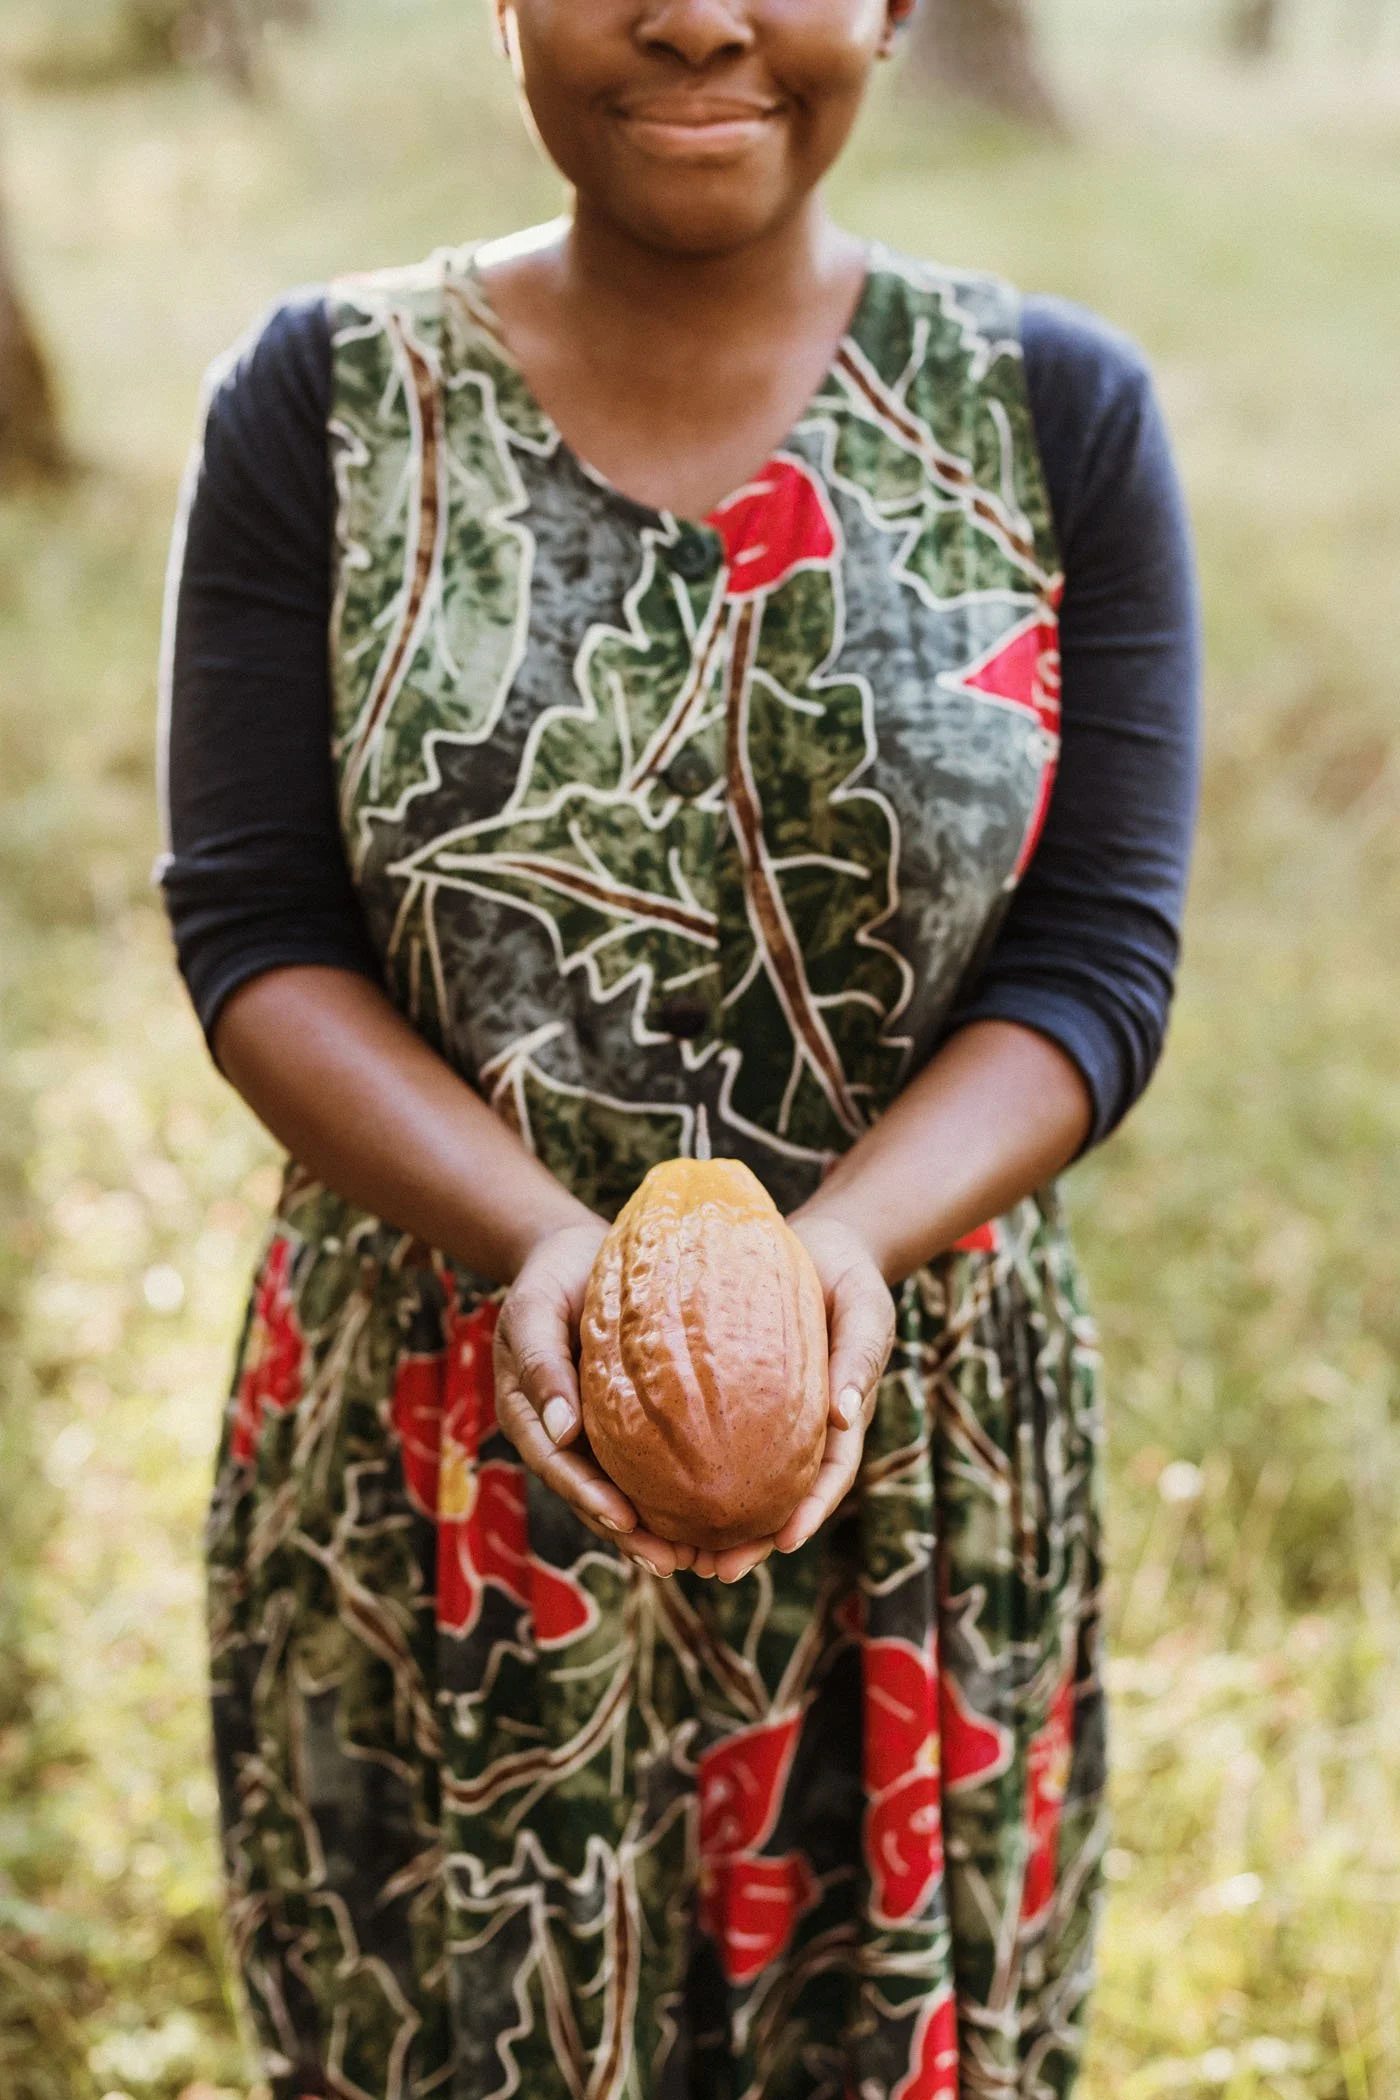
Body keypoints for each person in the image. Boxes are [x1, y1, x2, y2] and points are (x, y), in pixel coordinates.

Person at [159, 0, 1200, 2092]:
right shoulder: (326, 401)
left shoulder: (1051, 410)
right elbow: (256, 926)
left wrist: (841, 1264)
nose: (700, 14)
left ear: (896, 10)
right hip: (440, 1445)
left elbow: (1096, 958)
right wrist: (548, 1248)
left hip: (911, 1455)